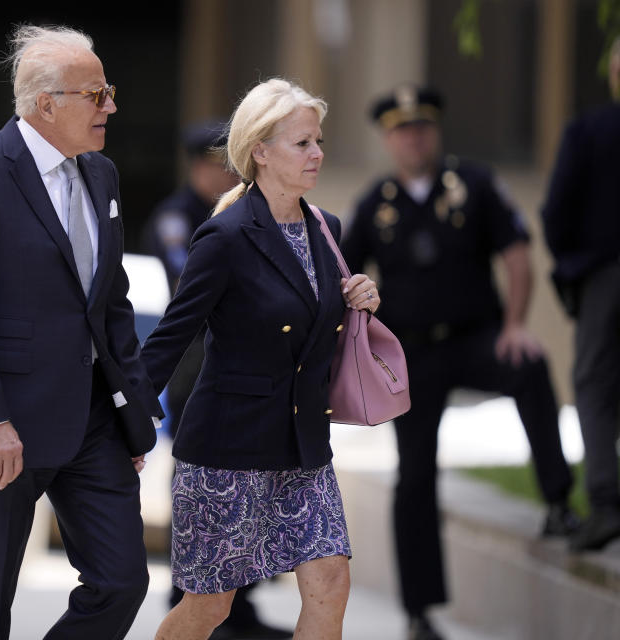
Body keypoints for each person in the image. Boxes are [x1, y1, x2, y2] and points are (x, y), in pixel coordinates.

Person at [0, 25, 163, 640]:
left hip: (94, 425)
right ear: (46, 102)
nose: (111, 105)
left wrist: (132, 412)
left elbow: (112, 303)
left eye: (109, 91)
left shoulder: (100, 175)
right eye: (97, 93)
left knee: (122, 582)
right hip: (6, 426)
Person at [142, 78, 381, 640]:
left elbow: (314, 329)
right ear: (260, 152)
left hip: (304, 449)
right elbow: (171, 337)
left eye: (318, 141)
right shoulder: (223, 236)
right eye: (302, 143)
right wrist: (125, 425)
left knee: (330, 583)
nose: (317, 153)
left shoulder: (328, 230)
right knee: (210, 608)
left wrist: (358, 299)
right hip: (228, 450)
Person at [341, 85, 578, 640]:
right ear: (388, 138)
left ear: (436, 131)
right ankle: (420, 612)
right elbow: (343, 276)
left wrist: (516, 325)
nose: (413, 137)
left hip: (478, 339)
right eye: (402, 129)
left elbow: (518, 256)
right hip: (414, 355)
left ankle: (559, 500)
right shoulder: (376, 200)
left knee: (531, 368)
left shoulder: (474, 184)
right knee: (414, 473)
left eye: (422, 126)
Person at [144, 123, 291, 640]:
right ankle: (187, 598)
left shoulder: (252, 212)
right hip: (196, 367)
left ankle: (239, 605)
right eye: (215, 165)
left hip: (248, 367)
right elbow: (193, 283)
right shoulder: (177, 217)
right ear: (194, 166)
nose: (225, 175)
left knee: (252, 490)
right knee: (199, 488)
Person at [542, 37, 620, 553]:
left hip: (605, 278)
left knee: (593, 385)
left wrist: (572, 268)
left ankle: (607, 502)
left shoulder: (591, 130)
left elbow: (556, 212)